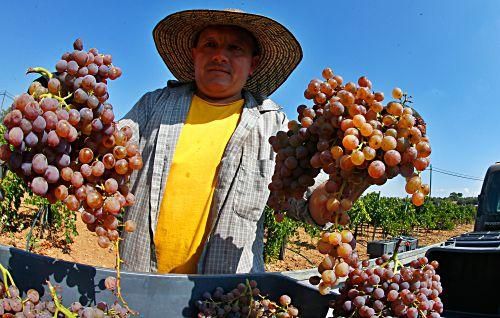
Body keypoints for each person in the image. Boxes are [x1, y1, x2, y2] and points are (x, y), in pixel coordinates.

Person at [119, 9, 331, 274]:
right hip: (139, 285)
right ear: (194, 53)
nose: (220, 55)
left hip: (227, 298)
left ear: (253, 64)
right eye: (210, 45)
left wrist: (347, 181)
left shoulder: (273, 125)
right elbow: (109, 147)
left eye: (235, 48)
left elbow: (304, 199)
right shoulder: (153, 106)